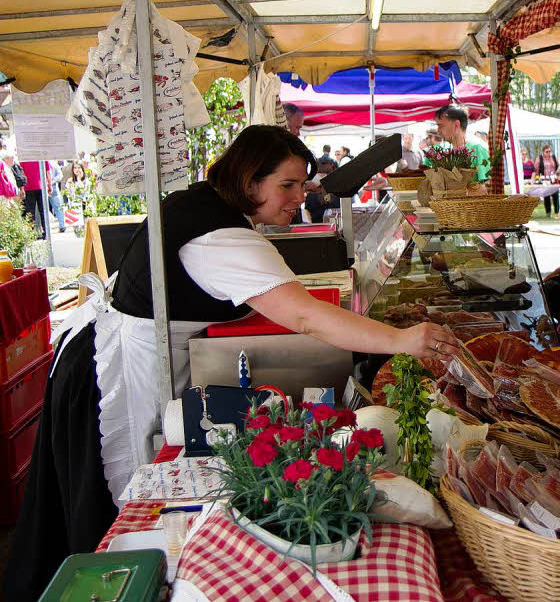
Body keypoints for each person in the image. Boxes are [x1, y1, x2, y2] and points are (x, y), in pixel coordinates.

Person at [5, 125, 462, 601]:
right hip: (117, 368)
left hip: (118, 347)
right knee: (113, 505)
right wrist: (402, 340)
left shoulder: (208, 206)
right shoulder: (219, 236)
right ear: (248, 181)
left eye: (302, 184)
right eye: (286, 185)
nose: (298, 196)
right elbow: (306, 316)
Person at [435, 105, 490, 182]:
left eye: (441, 126)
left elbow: (488, 185)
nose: (438, 131)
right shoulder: (447, 151)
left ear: (456, 125)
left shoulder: (477, 148)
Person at [534, 143, 560, 216]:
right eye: (547, 152)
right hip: (544, 179)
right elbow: (536, 169)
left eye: (549, 151)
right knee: (547, 196)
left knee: (555, 195)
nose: (548, 153)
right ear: (543, 152)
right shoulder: (539, 158)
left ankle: (557, 212)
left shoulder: (553, 157)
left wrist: (557, 177)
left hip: (553, 179)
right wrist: (537, 179)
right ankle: (548, 213)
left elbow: (558, 167)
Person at [47, 160, 67, 233]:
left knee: (58, 207)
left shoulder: (52, 163)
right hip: (52, 187)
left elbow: (60, 175)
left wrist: (50, 182)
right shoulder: (53, 163)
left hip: (51, 188)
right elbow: (60, 175)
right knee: (58, 207)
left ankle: (62, 225)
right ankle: (62, 225)